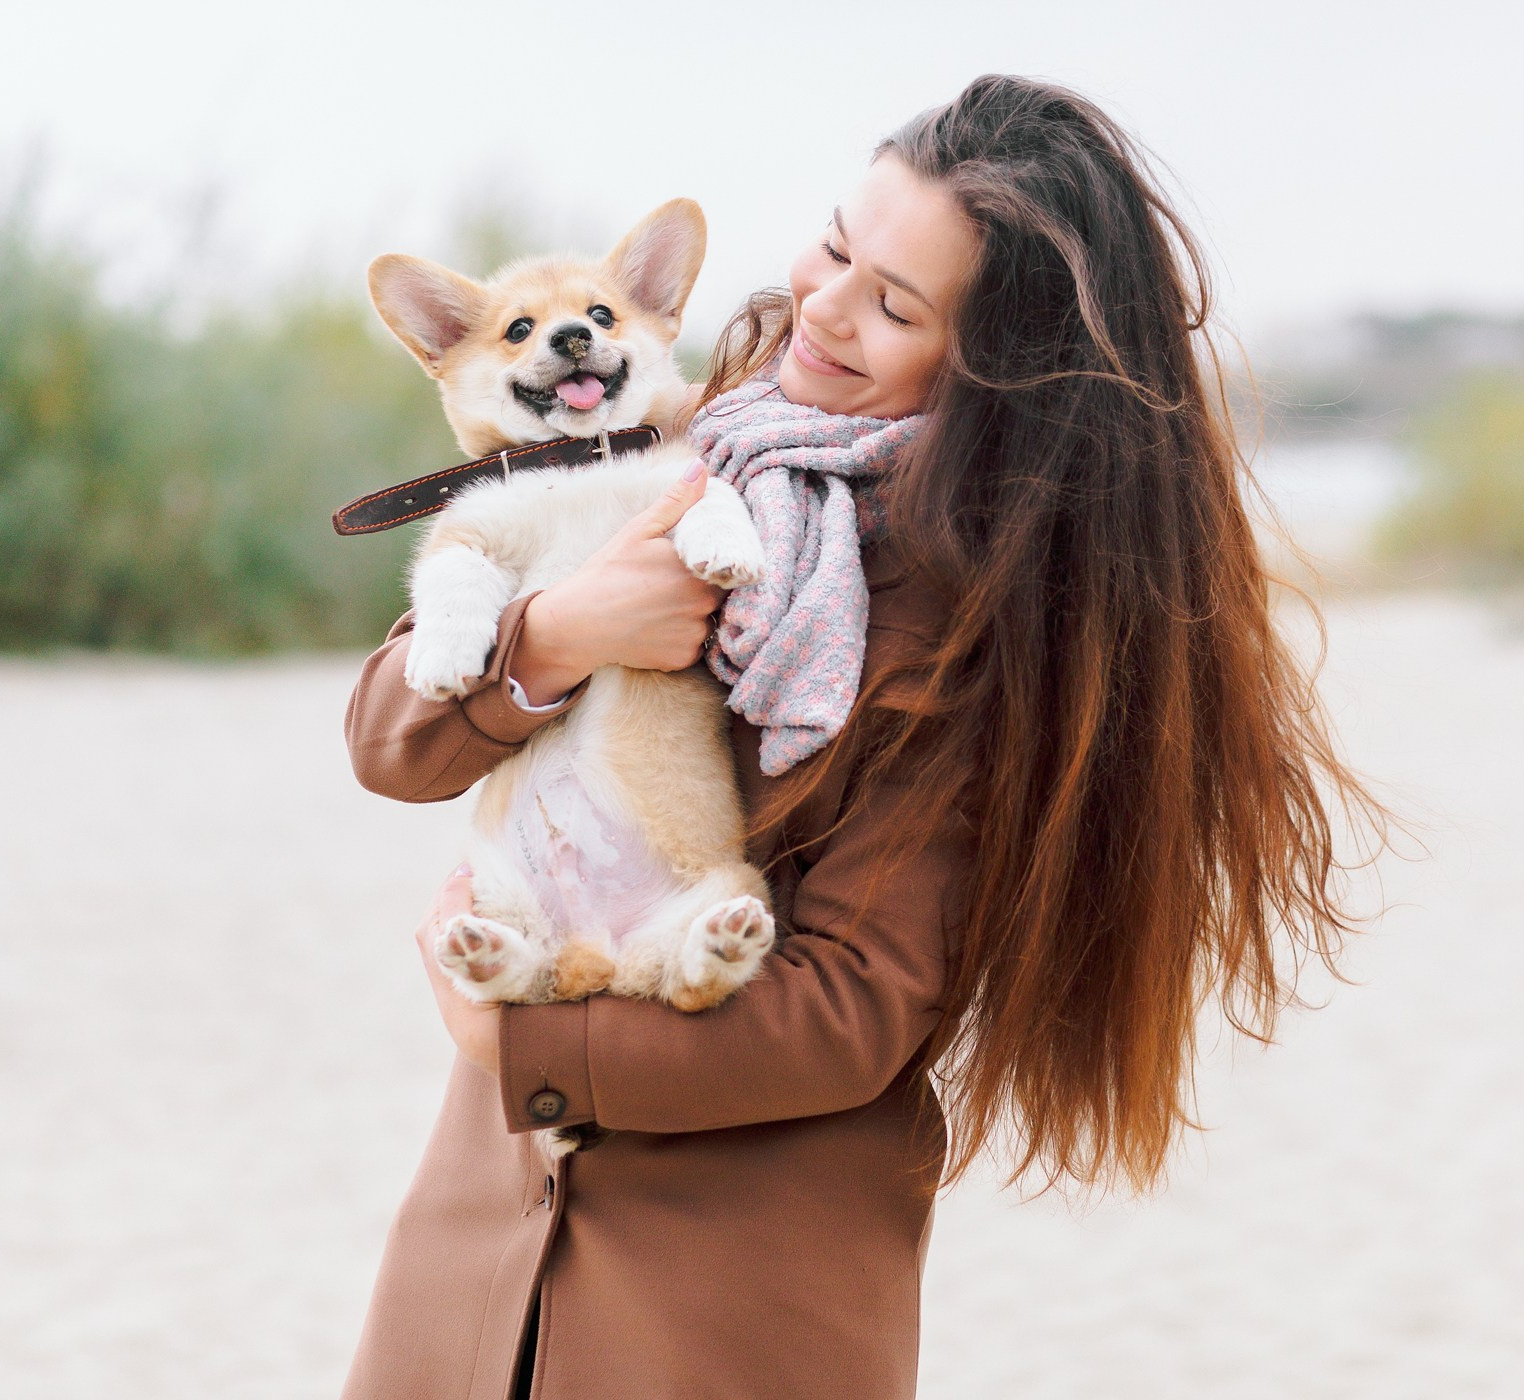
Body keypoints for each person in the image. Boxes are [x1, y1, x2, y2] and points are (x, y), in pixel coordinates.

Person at [338, 74, 1384, 1400]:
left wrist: (521, 1052)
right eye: (835, 247)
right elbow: (396, 747)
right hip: (478, 1257)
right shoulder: (683, 439)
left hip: (719, 1305)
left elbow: (850, 1013)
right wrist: (559, 634)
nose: (825, 308)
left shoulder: (974, 624)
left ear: (993, 371)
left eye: (893, 306)